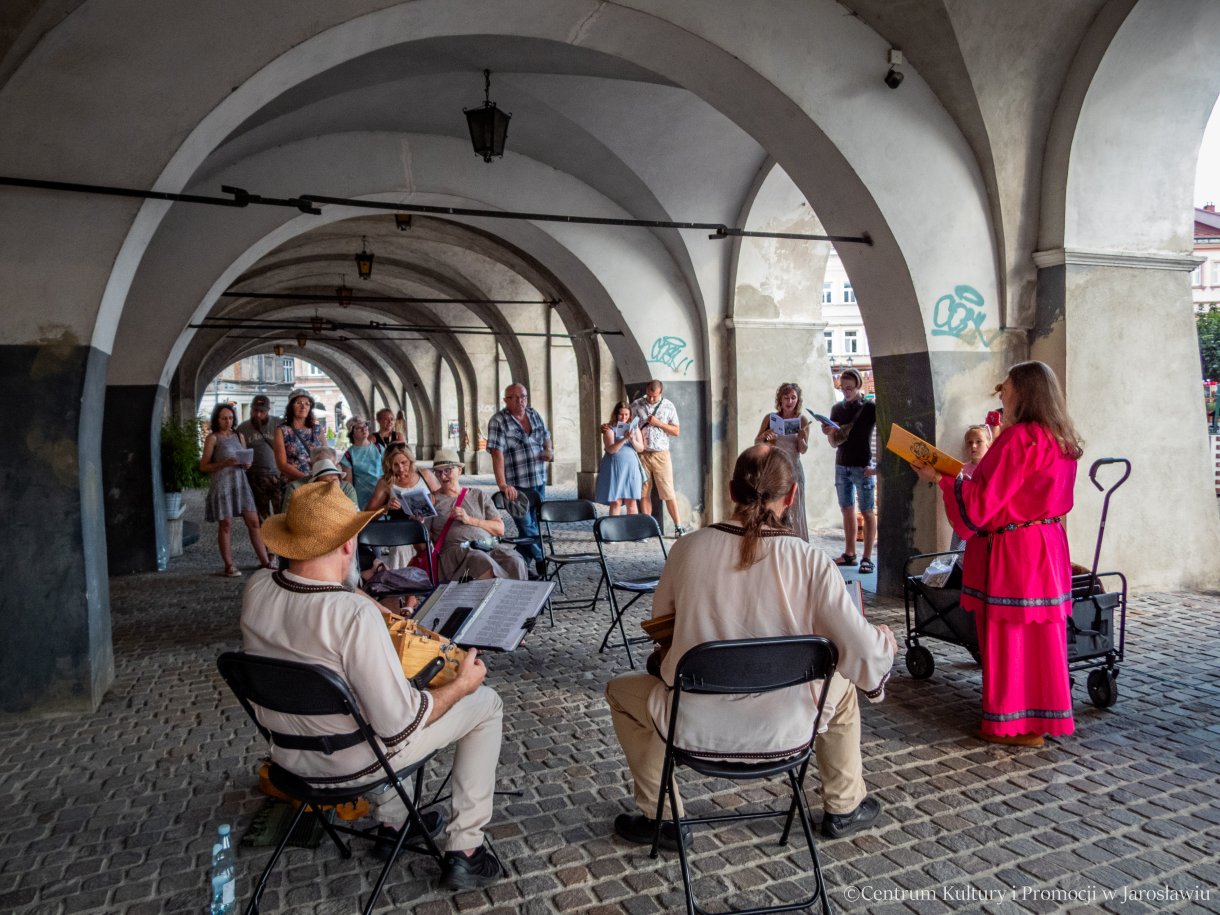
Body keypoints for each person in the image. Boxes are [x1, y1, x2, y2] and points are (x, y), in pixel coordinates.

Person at [605, 445, 897, 848]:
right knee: (843, 690)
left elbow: (664, 629)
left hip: (693, 724)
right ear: (791, 495)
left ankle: (663, 817)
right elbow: (862, 652)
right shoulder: (811, 561)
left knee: (621, 690)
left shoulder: (687, 549)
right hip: (787, 728)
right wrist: (885, 639)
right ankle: (844, 806)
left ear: (731, 490)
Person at [241, 480, 506, 889]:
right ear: (350, 546)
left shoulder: (257, 589)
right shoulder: (350, 616)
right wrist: (462, 685)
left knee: (365, 696)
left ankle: (395, 821)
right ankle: (466, 849)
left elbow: (321, 602)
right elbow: (401, 724)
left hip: (289, 759)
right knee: (485, 704)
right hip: (350, 765)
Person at [912, 360, 1083, 749]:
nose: (1001, 393)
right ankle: (1040, 718)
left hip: (1015, 549)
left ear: (1025, 391)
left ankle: (1013, 724)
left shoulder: (1019, 438)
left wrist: (941, 478)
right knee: (1042, 636)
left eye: (1005, 387)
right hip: (1047, 543)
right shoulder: (1059, 437)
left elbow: (983, 503)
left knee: (1009, 634)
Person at [426, 449, 527, 582]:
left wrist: (469, 520)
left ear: (459, 471)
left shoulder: (478, 495)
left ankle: (514, 598)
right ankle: (504, 593)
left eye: (447, 470)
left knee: (515, 561)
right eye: (438, 472)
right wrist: (419, 523)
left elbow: (499, 529)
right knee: (481, 561)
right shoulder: (431, 500)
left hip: (488, 546)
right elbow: (422, 546)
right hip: (456, 554)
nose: (443, 476)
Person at [487, 383, 553, 576]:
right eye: (514, 398)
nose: (520, 401)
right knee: (525, 525)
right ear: (506, 400)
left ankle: (519, 565)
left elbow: (546, 436)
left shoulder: (534, 414)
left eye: (523, 396)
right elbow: (497, 454)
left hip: (538, 479)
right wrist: (502, 484)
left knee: (532, 524)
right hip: (515, 485)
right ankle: (542, 559)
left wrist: (548, 450)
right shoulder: (498, 421)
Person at [200, 402, 272, 576]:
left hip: (240, 483)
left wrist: (246, 464)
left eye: (231, 418)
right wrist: (224, 463)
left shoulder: (238, 436)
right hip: (222, 484)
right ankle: (229, 565)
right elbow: (203, 466)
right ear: (217, 419)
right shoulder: (213, 438)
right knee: (226, 524)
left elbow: (245, 457)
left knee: (254, 522)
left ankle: (265, 562)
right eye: (224, 418)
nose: (228, 421)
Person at [820, 368, 877, 573]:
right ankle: (850, 552)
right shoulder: (837, 409)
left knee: (868, 511)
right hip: (842, 464)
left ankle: (867, 557)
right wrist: (829, 432)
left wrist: (877, 467)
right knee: (846, 509)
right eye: (843, 389)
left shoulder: (869, 407)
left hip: (863, 464)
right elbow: (835, 443)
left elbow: (882, 434)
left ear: (859, 385)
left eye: (850, 388)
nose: (846, 392)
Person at [754, 382, 811, 540]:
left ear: (798, 400)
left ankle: (798, 542)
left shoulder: (802, 420)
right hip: (776, 467)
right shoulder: (771, 418)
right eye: (786, 397)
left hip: (794, 466)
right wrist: (767, 436)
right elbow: (757, 442)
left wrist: (801, 438)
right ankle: (776, 540)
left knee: (796, 507)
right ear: (780, 400)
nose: (790, 401)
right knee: (774, 505)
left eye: (793, 398)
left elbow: (804, 449)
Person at [630, 380, 685, 536]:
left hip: (661, 454)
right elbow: (628, 423)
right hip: (642, 455)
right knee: (644, 492)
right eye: (649, 395)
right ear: (646, 390)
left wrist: (659, 423)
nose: (651, 399)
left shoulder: (668, 406)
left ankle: (678, 526)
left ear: (661, 393)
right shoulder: (636, 404)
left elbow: (676, 431)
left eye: (654, 396)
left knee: (668, 492)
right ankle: (647, 528)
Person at [236, 394, 281, 521]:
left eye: (262, 411)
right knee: (262, 516)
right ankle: (265, 540)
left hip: (278, 475)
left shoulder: (278, 423)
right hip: (255, 477)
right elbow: (238, 452)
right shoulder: (242, 428)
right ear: (251, 409)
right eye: (255, 410)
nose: (258, 414)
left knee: (281, 513)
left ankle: (280, 540)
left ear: (268, 410)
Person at [596, 402, 645, 516]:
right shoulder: (609, 428)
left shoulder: (634, 428)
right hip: (615, 468)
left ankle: (633, 531)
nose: (624, 417)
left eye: (627, 415)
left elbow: (641, 448)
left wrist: (632, 440)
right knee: (616, 501)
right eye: (621, 415)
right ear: (616, 414)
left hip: (631, 467)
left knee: (632, 501)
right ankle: (614, 531)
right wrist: (624, 439)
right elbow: (611, 450)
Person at [949, 424, 993, 551]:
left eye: (979, 442)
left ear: (988, 444)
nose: (973, 446)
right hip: (964, 520)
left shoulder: (992, 468)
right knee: (961, 555)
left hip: (983, 522)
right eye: (969, 442)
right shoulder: (960, 469)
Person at [273, 388, 326, 493]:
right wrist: (308, 480)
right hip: (294, 485)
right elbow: (282, 465)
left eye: (307, 404)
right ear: (291, 406)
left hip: (317, 485)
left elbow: (326, 456)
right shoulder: (282, 430)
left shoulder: (317, 429)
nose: (303, 407)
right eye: (298, 403)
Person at [283, 454, 359, 511]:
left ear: (339, 479)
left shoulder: (347, 489)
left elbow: (356, 514)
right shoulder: (300, 493)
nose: (333, 485)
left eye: (335, 480)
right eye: (326, 482)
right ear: (315, 484)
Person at [340, 416, 382, 508]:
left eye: (365, 426)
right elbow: (348, 486)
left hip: (383, 496)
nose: (364, 429)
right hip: (363, 500)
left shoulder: (379, 448)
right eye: (359, 428)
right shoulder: (349, 456)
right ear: (352, 432)